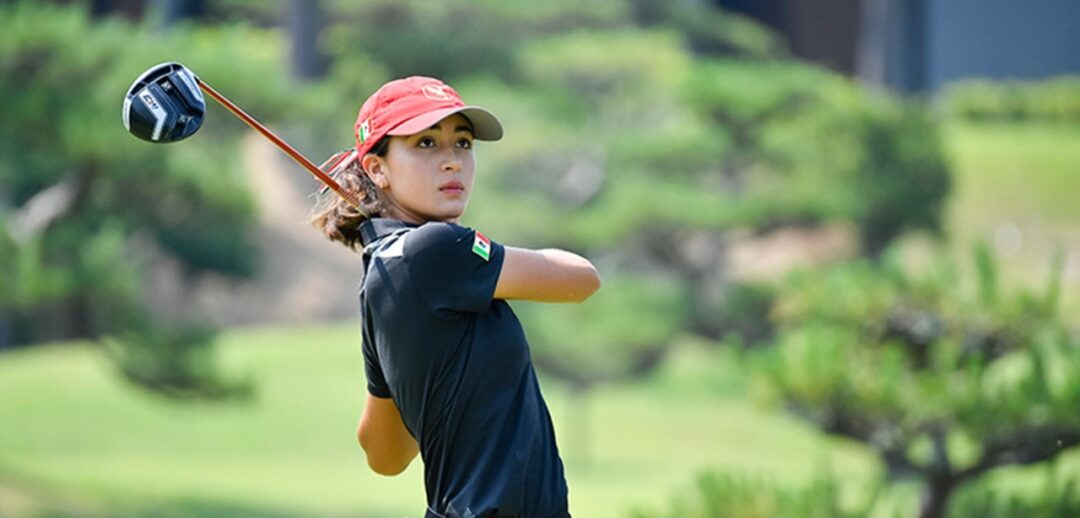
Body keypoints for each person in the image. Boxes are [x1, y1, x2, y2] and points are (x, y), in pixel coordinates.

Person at [310, 76, 601, 518]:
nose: (452, 162)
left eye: (462, 143)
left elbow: (384, 454)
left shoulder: (381, 277)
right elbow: (582, 278)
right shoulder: (437, 249)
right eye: (426, 143)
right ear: (377, 169)